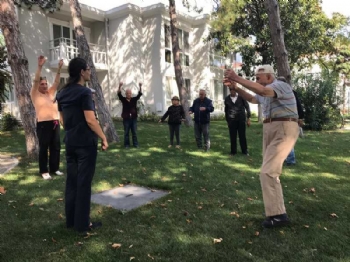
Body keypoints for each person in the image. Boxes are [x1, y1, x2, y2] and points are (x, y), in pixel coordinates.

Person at [224, 65, 299, 228]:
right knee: (270, 172)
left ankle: (278, 215)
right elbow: (252, 99)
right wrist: (236, 88)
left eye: (258, 78)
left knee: (267, 171)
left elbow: (263, 92)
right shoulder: (264, 90)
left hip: (284, 127)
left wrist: (236, 78)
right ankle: (277, 213)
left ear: (269, 76)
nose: (256, 80)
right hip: (270, 128)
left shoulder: (279, 85)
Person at [56, 57, 108, 235]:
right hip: (86, 144)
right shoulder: (84, 93)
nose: (90, 71)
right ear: (81, 72)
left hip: (70, 143)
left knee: (72, 182)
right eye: (88, 69)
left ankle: (71, 221)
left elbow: (62, 120)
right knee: (84, 184)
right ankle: (83, 225)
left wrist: (72, 129)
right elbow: (91, 120)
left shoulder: (62, 93)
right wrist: (103, 138)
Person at [31, 56, 64, 180]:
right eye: (42, 84)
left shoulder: (50, 93)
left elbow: (56, 82)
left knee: (55, 147)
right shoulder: (35, 94)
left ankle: (54, 168)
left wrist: (59, 68)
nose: (45, 86)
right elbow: (35, 81)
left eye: (45, 84)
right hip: (43, 124)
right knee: (44, 148)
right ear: (38, 86)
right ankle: (44, 171)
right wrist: (40, 66)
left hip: (54, 123)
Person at [277, 76, 305, 166]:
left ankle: (291, 159)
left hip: (290, 119)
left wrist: (300, 118)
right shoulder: (279, 93)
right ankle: (286, 157)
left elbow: (298, 106)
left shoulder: (291, 93)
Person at [224, 82, 251, 156]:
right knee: (233, 136)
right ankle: (233, 151)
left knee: (242, 135)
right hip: (231, 120)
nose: (233, 92)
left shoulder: (241, 97)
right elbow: (226, 110)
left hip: (241, 119)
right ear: (230, 91)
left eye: (235, 90)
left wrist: (248, 118)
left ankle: (245, 151)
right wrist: (227, 120)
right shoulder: (227, 99)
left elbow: (247, 107)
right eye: (232, 90)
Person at [118, 82, 142, 148]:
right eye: (127, 93)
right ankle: (126, 145)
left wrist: (140, 86)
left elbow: (139, 94)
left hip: (133, 119)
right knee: (126, 133)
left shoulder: (134, 99)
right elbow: (119, 94)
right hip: (126, 119)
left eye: (130, 93)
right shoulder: (123, 100)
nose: (129, 94)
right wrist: (119, 86)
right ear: (126, 94)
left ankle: (135, 144)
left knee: (134, 132)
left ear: (131, 94)